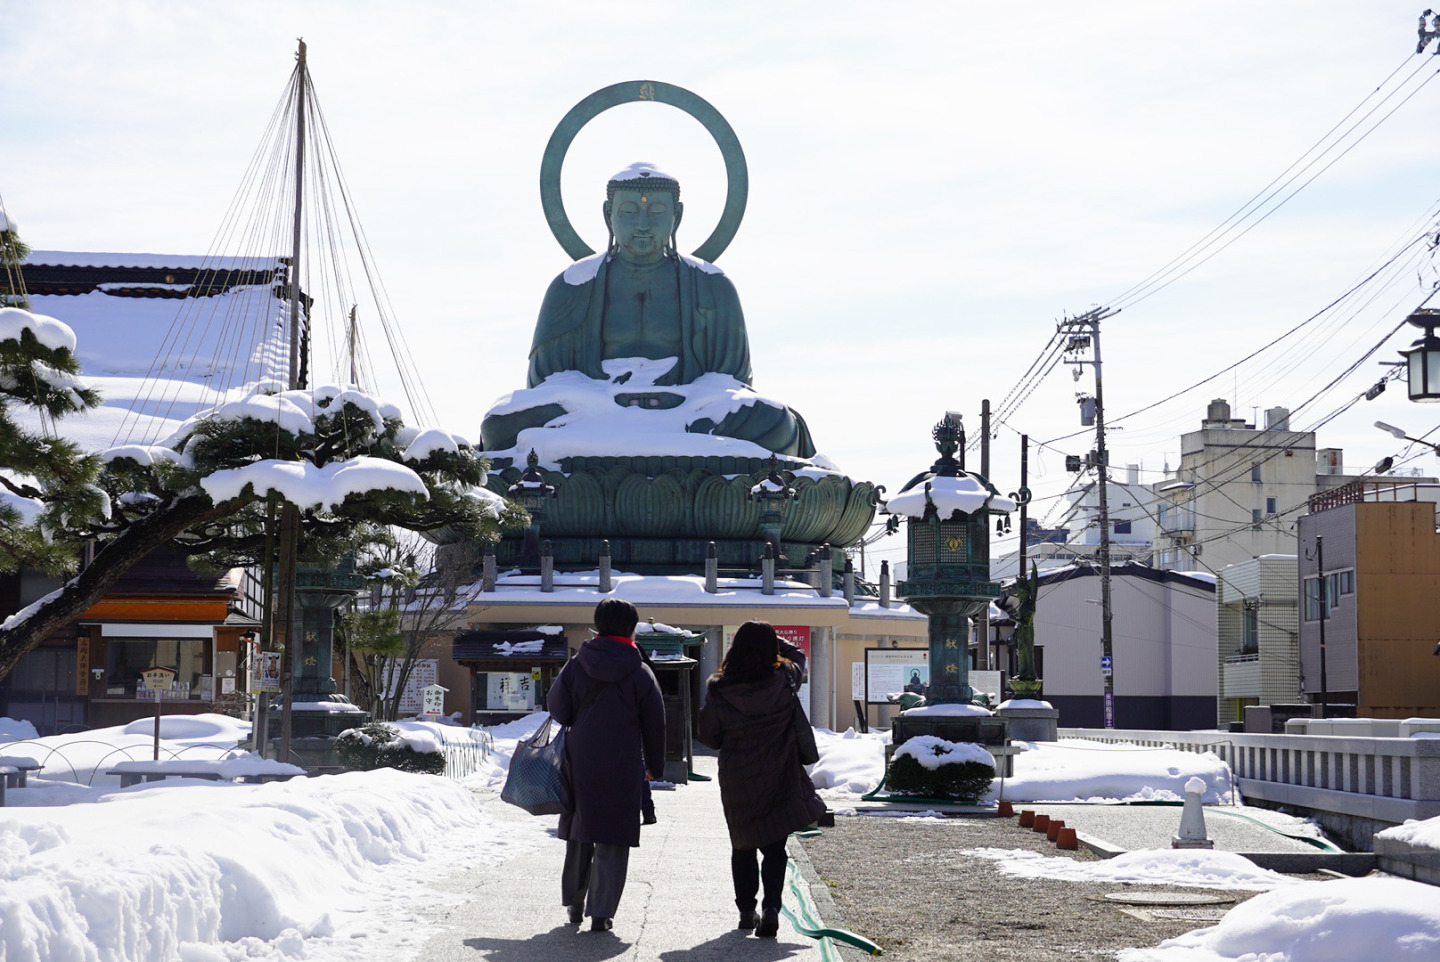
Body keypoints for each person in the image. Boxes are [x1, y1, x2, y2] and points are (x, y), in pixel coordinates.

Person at [479, 162, 814, 457]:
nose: (642, 224)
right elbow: (548, 381)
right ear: (608, 215)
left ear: (676, 216)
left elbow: (729, 381)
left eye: (655, 212)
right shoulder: (573, 285)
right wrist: (600, 398)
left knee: (773, 422)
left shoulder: (712, 286)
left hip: (688, 410)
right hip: (591, 411)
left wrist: (680, 401)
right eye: (628, 212)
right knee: (501, 424)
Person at [697, 621, 827, 939]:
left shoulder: (719, 687)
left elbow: (710, 738)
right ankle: (771, 909)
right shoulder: (784, 679)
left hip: (738, 777)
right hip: (779, 773)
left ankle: (745, 911)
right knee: (774, 846)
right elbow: (799, 657)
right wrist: (774, 643)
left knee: (742, 845)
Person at [547, 598, 665, 932]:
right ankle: (601, 913)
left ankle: (573, 903)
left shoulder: (576, 664)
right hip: (623, 761)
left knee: (580, 830)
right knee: (612, 835)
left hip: (580, 757)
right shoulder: (640, 670)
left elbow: (558, 708)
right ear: (631, 628)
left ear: (598, 625)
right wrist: (654, 766)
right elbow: (655, 723)